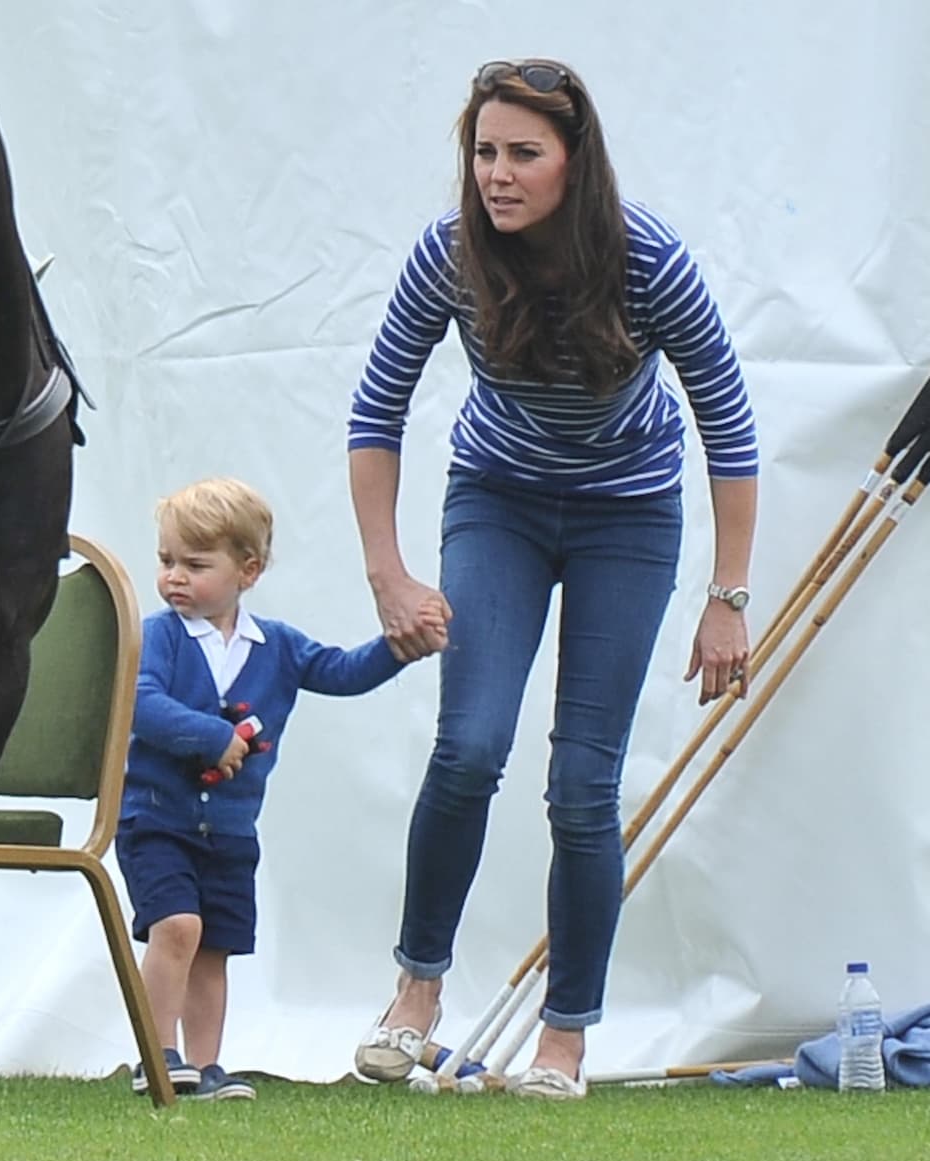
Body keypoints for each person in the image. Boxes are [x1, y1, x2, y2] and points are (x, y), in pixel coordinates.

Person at [347, 59, 758, 1099]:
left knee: (581, 786)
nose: (496, 173)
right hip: (499, 502)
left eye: (522, 153)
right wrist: (388, 572)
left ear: (574, 163)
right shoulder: (447, 256)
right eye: (483, 151)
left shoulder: (644, 257)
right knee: (469, 744)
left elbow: (728, 424)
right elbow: (375, 410)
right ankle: (415, 992)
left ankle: (563, 1040)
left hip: (628, 515)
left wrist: (728, 595)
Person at [117, 477, 430, 1100]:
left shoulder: (277, 646)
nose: (174, 577)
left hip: (231, 831)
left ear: (248, 571)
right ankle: (157, 1058)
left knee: (216, 947)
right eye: (166, 561)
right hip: (156, 818)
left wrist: (400, 649)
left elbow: (341, 672)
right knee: (176, 926)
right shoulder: (160, 636)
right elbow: (138, 704)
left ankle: (205, 1067)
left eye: (195, 564)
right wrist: (211, 736)